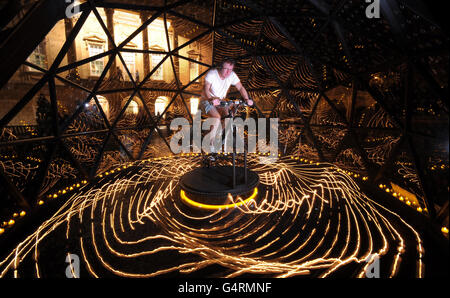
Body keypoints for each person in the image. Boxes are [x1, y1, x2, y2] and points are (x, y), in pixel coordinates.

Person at [200, 58, 253, 152]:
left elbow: (240, 87)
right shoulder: (212, 74)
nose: (228, 72)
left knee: (229, 117)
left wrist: (246, 99)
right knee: (216, 118)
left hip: (221, 101)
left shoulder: (232, 75)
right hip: (207, 100)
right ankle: (210, 144)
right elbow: (206, 88)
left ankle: (218, 135)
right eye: (226, 69)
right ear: (221, 67)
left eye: (230, 69)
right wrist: (211, 99)